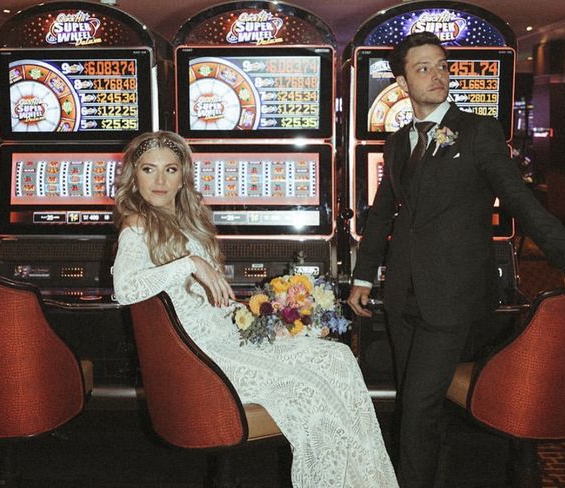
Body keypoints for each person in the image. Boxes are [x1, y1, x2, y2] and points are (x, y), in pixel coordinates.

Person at [346, 32, 565, 488]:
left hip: (454, 293)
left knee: (421, 403)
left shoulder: (477, 131)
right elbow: (382, 215)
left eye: (442, 65)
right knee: (414, 402)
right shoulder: (398, 141)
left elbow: (520, 200)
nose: (436, 75)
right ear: (402, 80)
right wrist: (364, 276)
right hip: (404, 292)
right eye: (423, 68)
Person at [112, 131, 398, 488]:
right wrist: (190, 263)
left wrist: (259, 320)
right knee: (310, 388)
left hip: (228, 339)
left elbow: (206, 304)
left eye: (170, 170)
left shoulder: (188, 220)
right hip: (201, 360)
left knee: (337, 358)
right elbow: (124, 289)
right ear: (133, 174)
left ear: (183, 176)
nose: (159, 181)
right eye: (148, 169)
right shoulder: (136, 227)